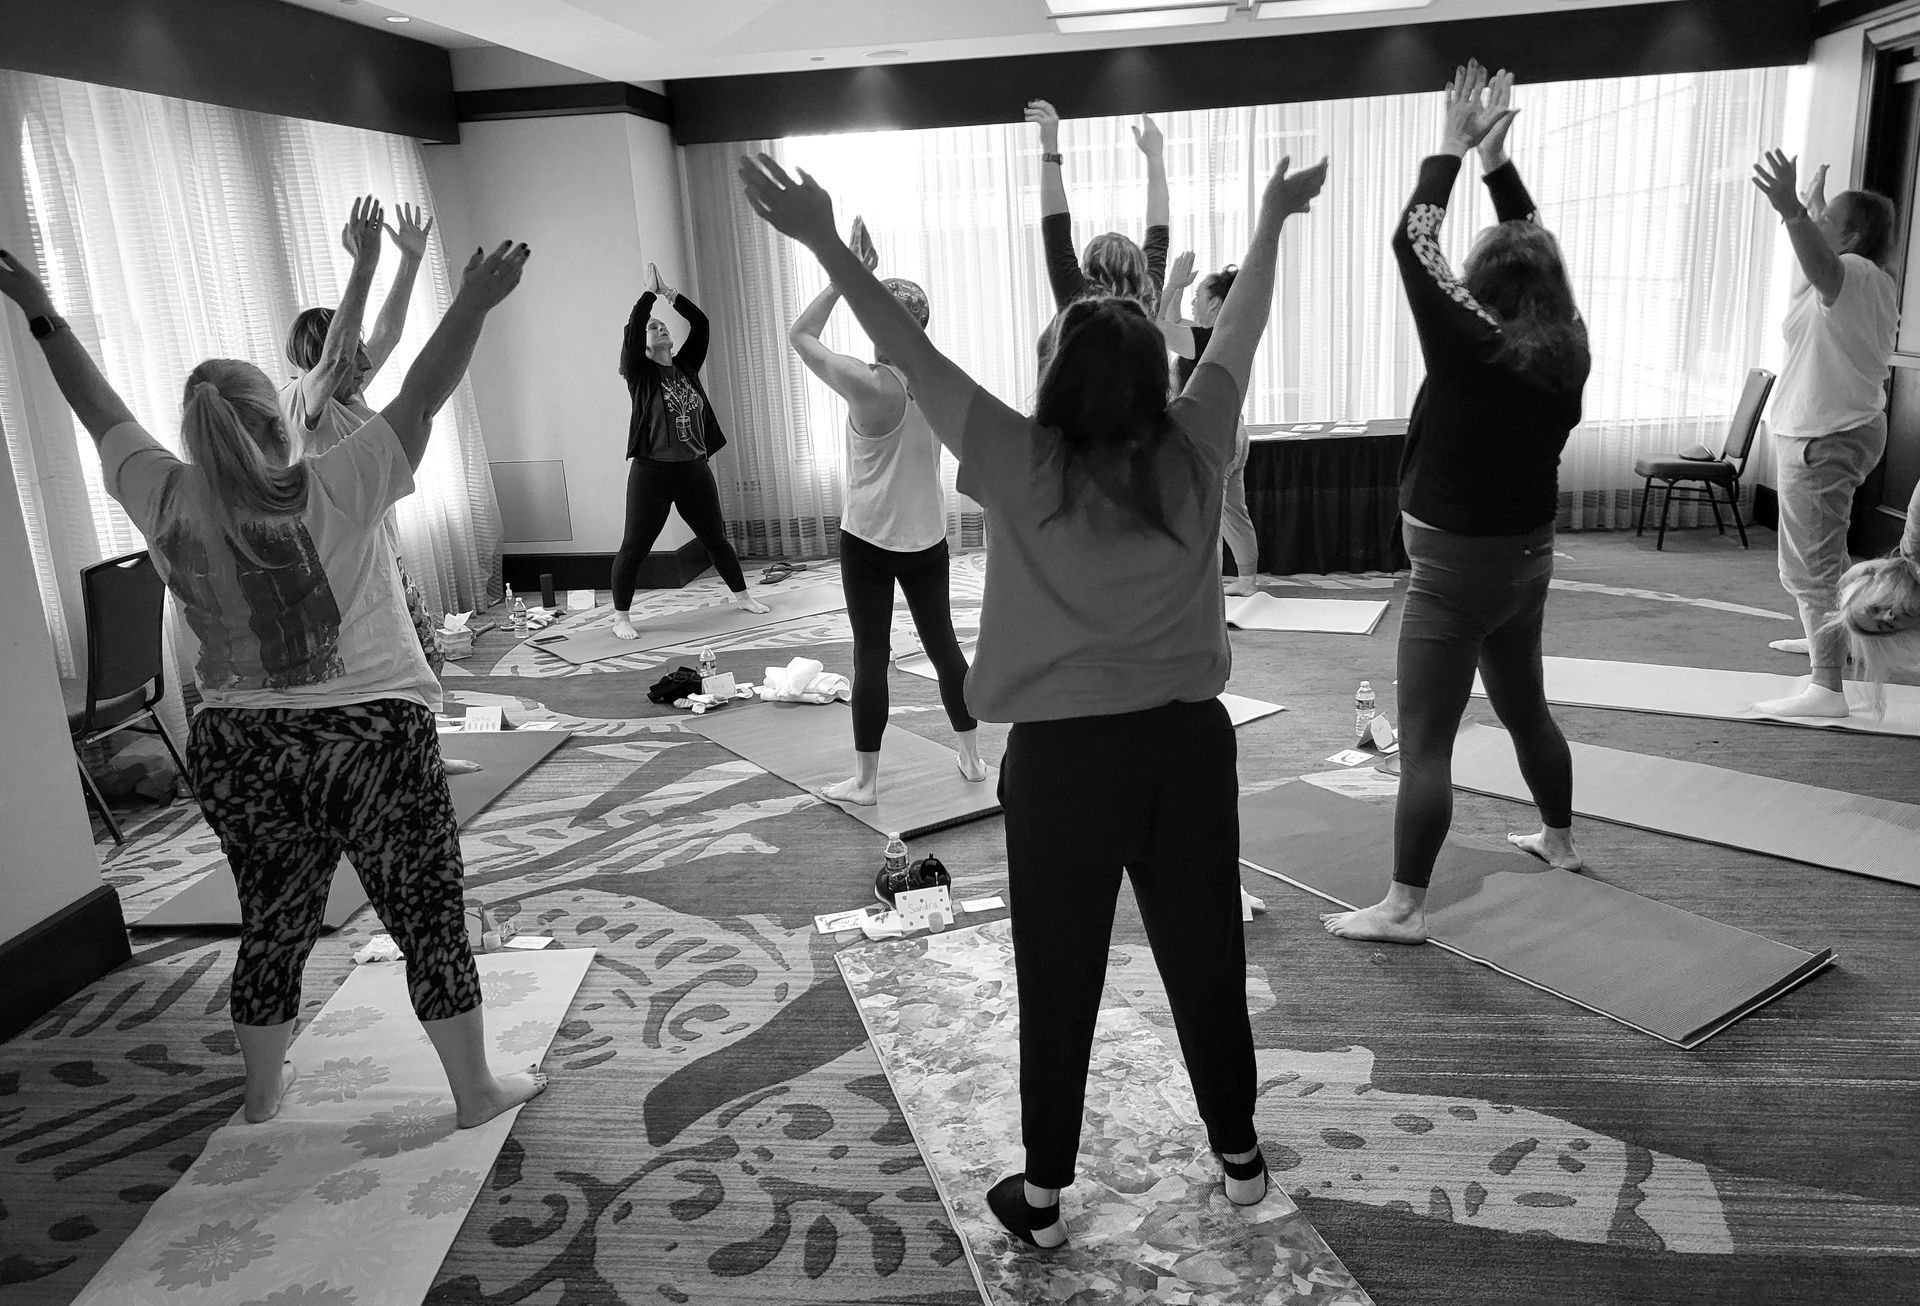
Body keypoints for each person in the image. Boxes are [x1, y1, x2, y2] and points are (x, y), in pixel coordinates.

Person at [741, 144, 1328, 1249]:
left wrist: (822, 242)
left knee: (1059, 972)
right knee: (1207, 955)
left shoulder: (1020, 457)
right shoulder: (1197, 442)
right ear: (1157, 380)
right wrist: (1271, 221)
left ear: (1055, 379)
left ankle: (1046, 1196)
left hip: (1062, 766)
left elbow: (913, 351)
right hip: (1188, 749)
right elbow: (1238, 331)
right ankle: (1242, 1160)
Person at [0, 237, 545, 1128]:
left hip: (236, 746)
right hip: (369, 738)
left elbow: (96, 410)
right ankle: (474, 1092)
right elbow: (422, 392)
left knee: (273, 919)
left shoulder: (162, 493)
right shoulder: (338, 483)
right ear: (279, 422)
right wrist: (475, 302)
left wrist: (41, 312)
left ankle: (261, 1094)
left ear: (195, 431)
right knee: (426, 917)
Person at [1323, 63, 1589, 947]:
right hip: (1526, 563)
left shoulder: (1472, 344)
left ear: (1480, 290)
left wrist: (1452, 146)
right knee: (1525, 708)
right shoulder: (1568, 343)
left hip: (1451, 575)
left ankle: (1404, 907)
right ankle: (1559, 839)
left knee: (1426, 743)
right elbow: (1539, 254)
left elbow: (1415, 243)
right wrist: (1498, 166)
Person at [786, 216, 986, 802]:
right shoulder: (941, 381)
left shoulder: (868, 383)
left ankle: (866, 782)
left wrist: (843, 280)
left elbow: (800, 335)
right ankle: (973, 758)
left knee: (870, 656)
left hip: (869, 540)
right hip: (927, 538)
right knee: (944, 646)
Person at [281, 197, 478, 774]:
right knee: (369, 673)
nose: (366, 364)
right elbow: (337, 357)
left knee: (421, 653)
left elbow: (384, 333)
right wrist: (363, 264)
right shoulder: (303, 402)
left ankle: (424, 755)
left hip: (377, 551)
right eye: (354, 358)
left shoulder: (352, 391)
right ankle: (375, 767)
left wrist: (409, 261)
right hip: (331, 567)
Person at [1749, 152, 1900, 717]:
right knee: (1822, 555)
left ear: (1853, 236)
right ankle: (1829, 641)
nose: (1817, 224)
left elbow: (1823, 268)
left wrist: (1791, 210)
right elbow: (1816, 270)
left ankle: (1827, 688)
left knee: (1809, 567)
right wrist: (1809, 212)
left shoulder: (1852, 273)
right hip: (1840, 428)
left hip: (1825, 436)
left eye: (1827, 220)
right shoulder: (1867, 281)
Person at [610, 263, 769, 639]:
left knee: (715, 538)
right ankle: (621, 617)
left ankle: (743, 597)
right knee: (635, 546)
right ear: (643, 346)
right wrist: (647, 296)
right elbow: (634, 330)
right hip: (652, 472)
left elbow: (701, 324)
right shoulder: (640, 374)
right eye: (653, 328)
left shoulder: (686, 367)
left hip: (693, 469)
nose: (660, 328)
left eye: (663, 326)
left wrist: (669, 293)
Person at [1160, 253, 1260, 596]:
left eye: (1197, 296)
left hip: (1214, 438)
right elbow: (1173, 320)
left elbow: (1158, 328)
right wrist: (1177, 290)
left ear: (1215, 304)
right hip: (1236, 433)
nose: (1192, 301)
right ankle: (1247, 581)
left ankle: (1208, 591)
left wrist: (1172, 284)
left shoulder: (1203, 339)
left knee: (1208, 516)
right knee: (1233, 511)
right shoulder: (1221, 336)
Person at [1025, 99, 1169, 318]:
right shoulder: (1148, 300)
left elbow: (1056, 227)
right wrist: (1155, 156)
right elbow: (1159, 227)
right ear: (1139, 267)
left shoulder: (1079, 300)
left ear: (1088, 268)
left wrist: (1050, 145)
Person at [1829, 476, 1920, 688]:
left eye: (1877, 606)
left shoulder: (1915, 546)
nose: (1890, 616)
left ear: (1877, 580)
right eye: (1888, 626)